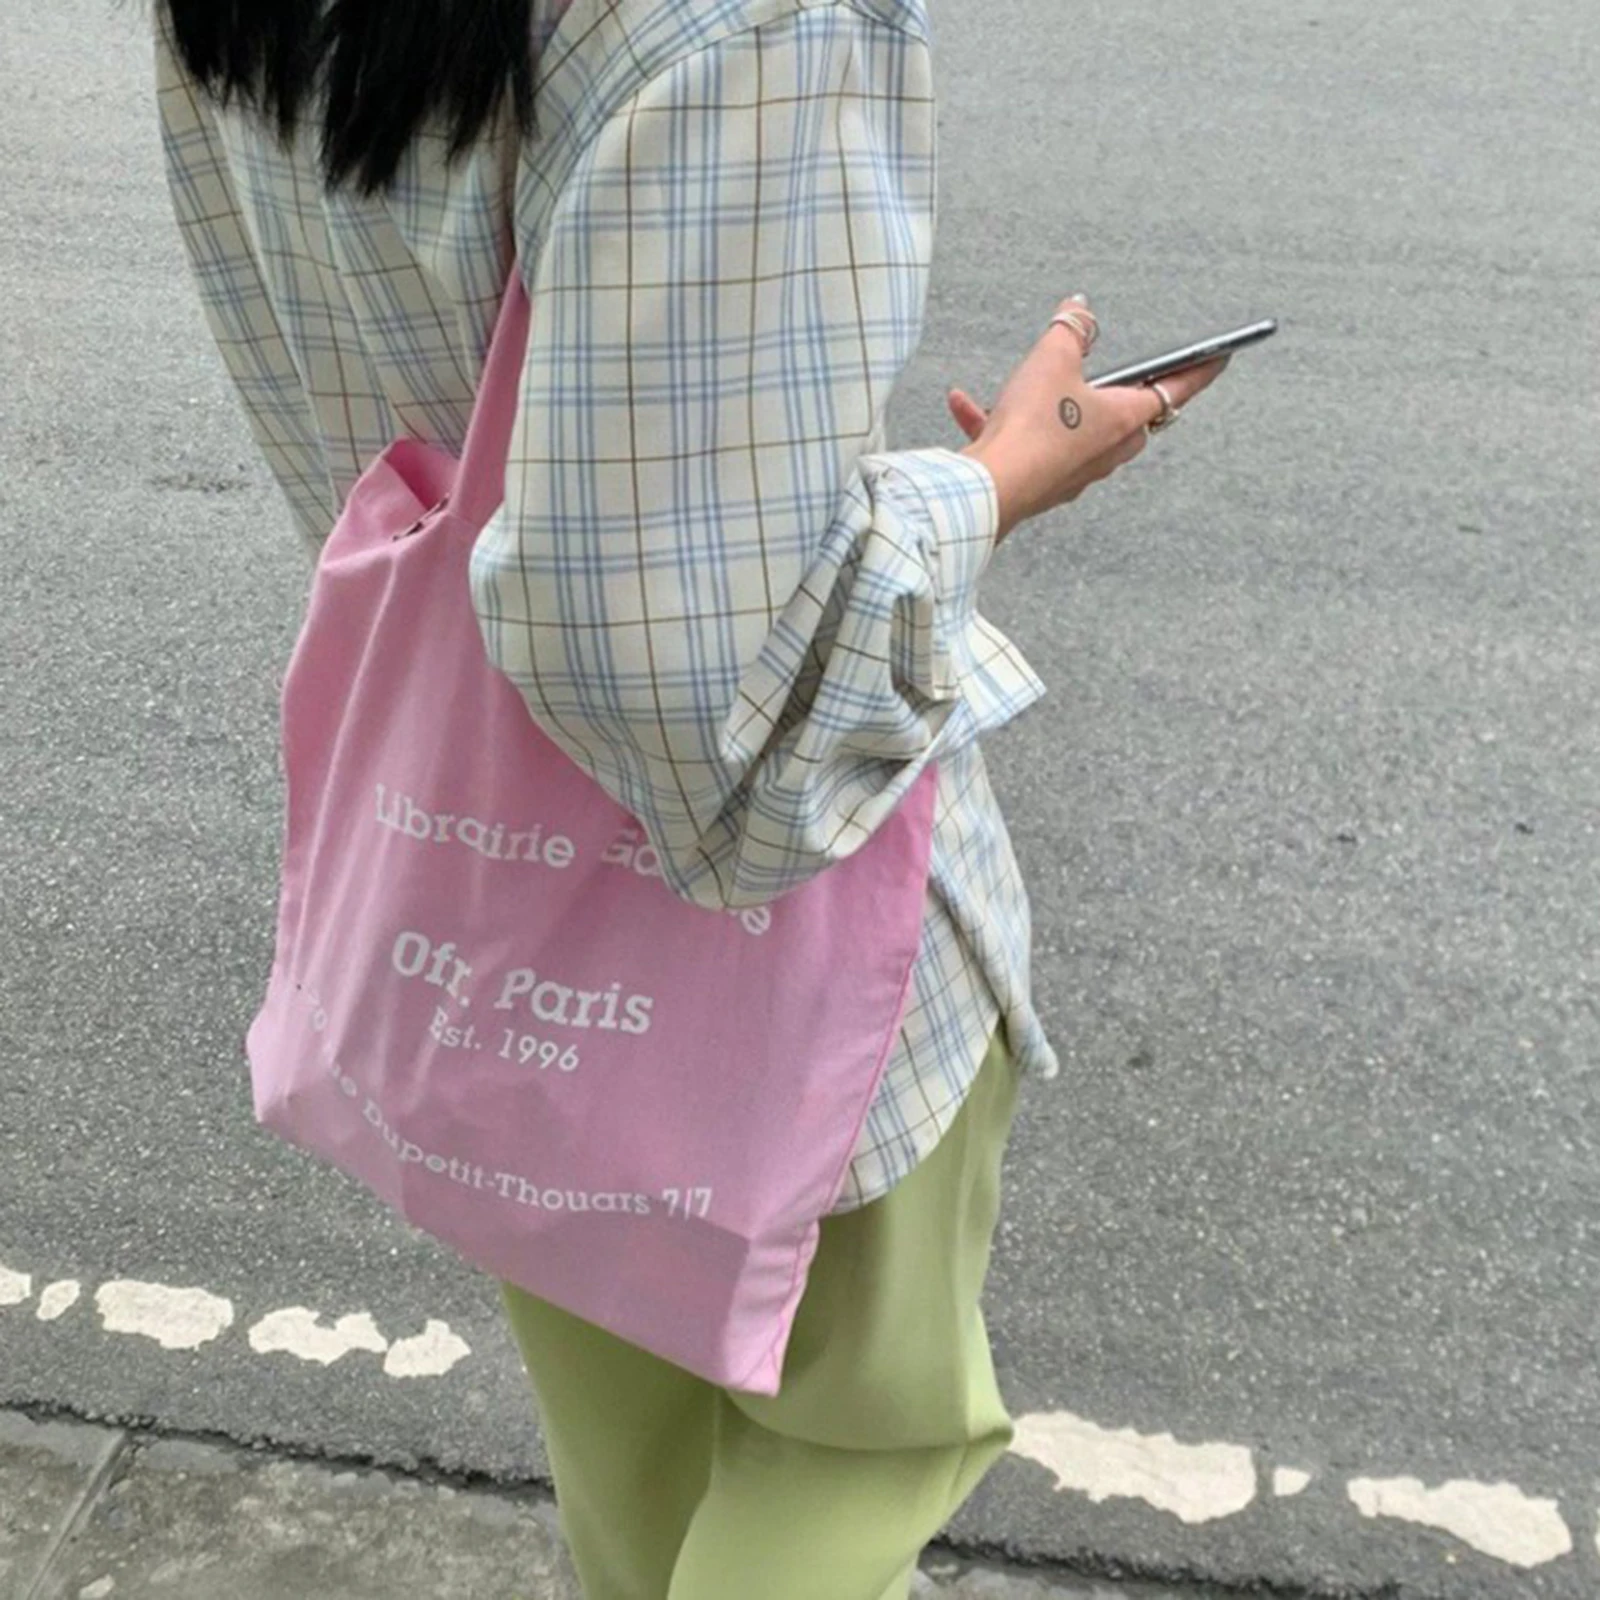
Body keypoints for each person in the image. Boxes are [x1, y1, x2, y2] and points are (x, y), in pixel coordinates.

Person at [151, 0, 1228, 1594]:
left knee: (628, 1450)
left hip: (483, 903)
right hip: (781, 977)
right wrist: (998, 479)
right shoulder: (743, 21)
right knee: (852, 1448)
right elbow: (710, 705)